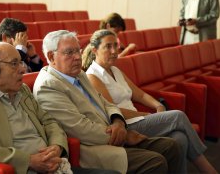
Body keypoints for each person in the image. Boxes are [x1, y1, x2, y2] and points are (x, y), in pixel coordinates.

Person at [33, 30, 183, 173]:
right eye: (69, 52)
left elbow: (106, 103)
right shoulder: (48, 86)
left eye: (78, 50)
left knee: (171, 146)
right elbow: (80, 129)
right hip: (93, 147)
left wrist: (118, 121)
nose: (78, 57)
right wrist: (124, 135)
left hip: (113, 131)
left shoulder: (79, 74)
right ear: (51, 56)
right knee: (155, 162)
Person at [0, 41, 120, 174]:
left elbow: (49, 122)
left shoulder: (21, 89)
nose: (22, 69)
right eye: (14, 64)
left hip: (54, 164)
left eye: (20, 62)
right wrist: (28, 161)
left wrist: (57, 146)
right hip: (23, 169)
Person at [82, 29, 218, 174]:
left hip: (139, 119)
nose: (114, 51)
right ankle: (208, 170)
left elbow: (139, 95)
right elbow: (113, 110)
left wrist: (157, 105)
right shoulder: (92, 76)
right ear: (95, 50)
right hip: (126, 125)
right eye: (108, 47)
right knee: (178, 116)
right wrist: (147, 115)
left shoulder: (115, 70)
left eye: (116, 45)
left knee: (180, 138)